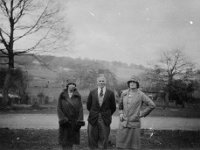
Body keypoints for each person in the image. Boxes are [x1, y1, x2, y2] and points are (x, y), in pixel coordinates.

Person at [116, 76, 156, 150]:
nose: (132, 83)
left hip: (134, 123)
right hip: (124, 122)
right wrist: (121, 113)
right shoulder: (124, 93)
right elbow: (120, 106)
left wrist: (142, 113)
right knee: (121, 146)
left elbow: (152, 105)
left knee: (133, 146)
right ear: (128, 84)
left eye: (134, 82)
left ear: (137, 84)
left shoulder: (141, 94)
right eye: (130, 82)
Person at [87, 74, 116, 149]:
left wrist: (107, 114)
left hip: (105, 118)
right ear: (97, 82)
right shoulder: (92, 92)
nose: (101, 82)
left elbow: (113, 107)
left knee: (104, 137)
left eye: (103, 81)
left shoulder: (110, 93)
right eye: (99, 81)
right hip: (93, 117)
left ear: (105, 82)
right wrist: (94, 113)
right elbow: (88, 105)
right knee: (92, 137)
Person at [57, 80, 85, 150]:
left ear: (75, 86)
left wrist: (79, 121)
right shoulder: (62, 95)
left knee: (71, 142)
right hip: (65, 122)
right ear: (67, 86)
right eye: (70, 84)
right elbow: (59, 108)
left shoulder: (78, 96)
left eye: (73, 84)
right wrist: (63, 119)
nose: (72, 85)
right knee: (64, 140)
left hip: (74, 122)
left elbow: (81, 109)